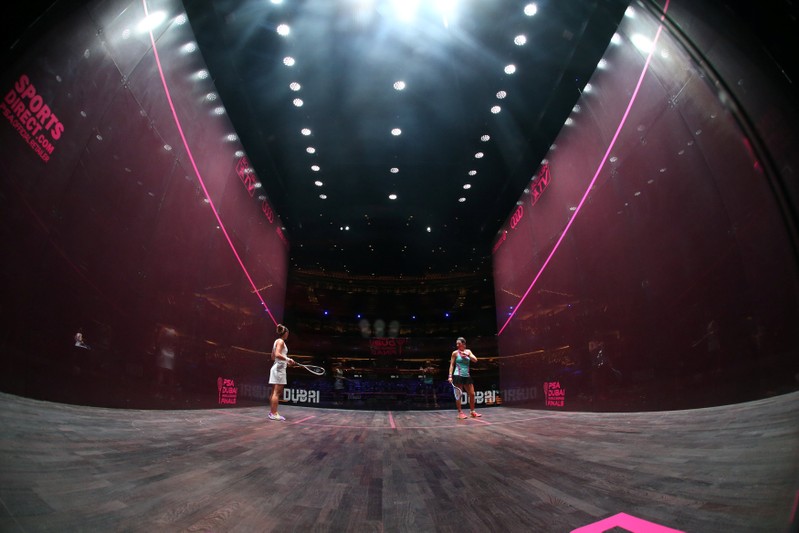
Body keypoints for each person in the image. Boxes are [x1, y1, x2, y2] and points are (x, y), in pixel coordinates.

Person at [448, 337, 480, 419]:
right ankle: (460, 413)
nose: (457, 345)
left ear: (463, 344)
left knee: (472, 394)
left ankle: (472, 412)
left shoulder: (468, 351)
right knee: (458, 395)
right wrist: (450, 376)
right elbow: (451, 365)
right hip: (457, 375)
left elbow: (475, 360)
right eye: (456, 343)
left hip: (467, 376)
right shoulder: (455, 353)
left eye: (459, 343)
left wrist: (467, 355)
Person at [268, 324, 294, 421]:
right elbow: (278, 354)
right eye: (288, 333)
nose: (288, 335)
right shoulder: (281, 341)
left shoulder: (276, 341)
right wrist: (288, 359)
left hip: (276, 367)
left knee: (274, 392)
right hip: (279, 369)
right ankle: (274, 413)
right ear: (285, 333)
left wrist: (287, 361)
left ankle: (272, 412)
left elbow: (272, 357)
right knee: (277, 392)